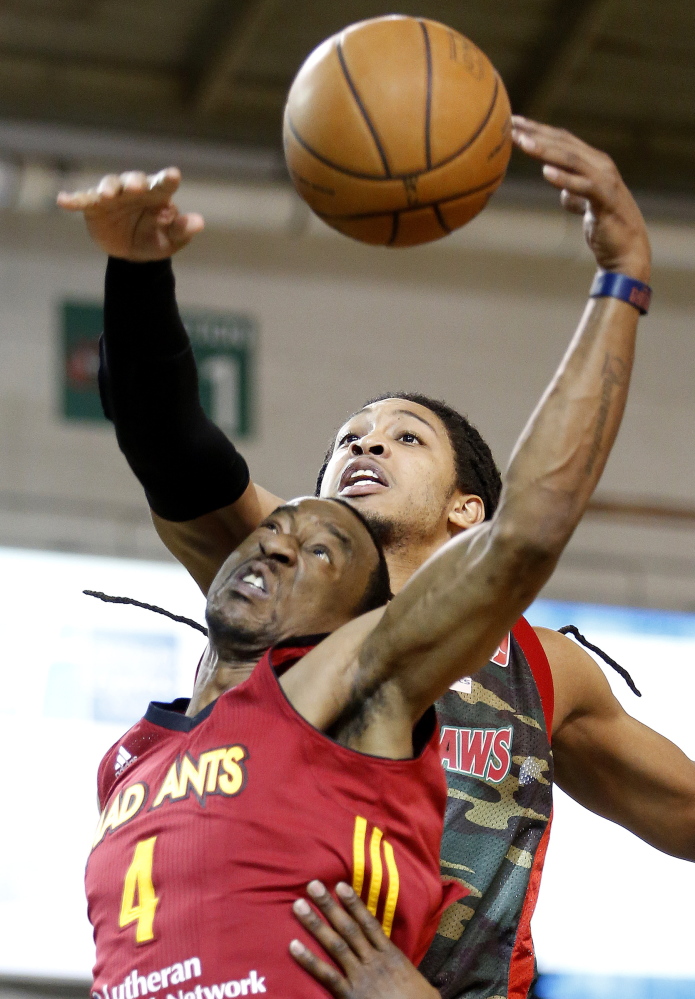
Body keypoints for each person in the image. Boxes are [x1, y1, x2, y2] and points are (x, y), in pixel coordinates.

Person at [60, 119, 695, 999]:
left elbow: (685, 811)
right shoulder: (289, 572)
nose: (366, 445)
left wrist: (623, 276)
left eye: (404, 436)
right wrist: (136, 277)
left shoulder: (541, 664)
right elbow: (170, 443)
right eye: (347, 438)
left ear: (467, 510)